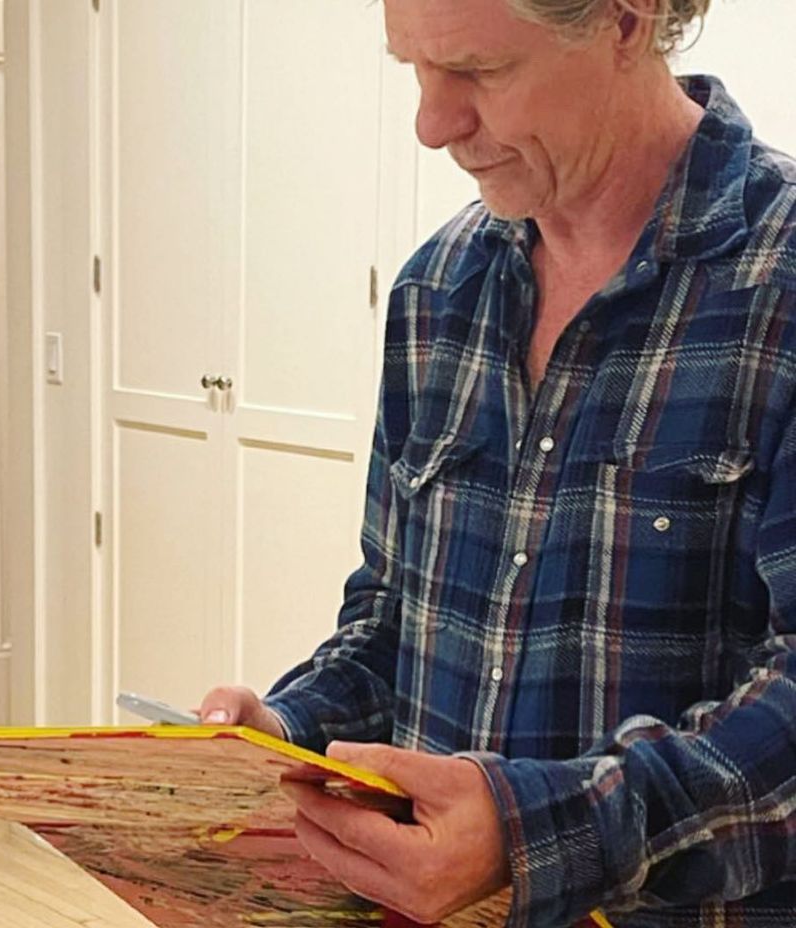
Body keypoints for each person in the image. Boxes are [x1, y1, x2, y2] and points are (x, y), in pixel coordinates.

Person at [199, 0, 796, 925]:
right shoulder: (438, 291)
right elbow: (394, 617)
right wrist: (288, 731)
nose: (432, 124)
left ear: (625, 21)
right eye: (414, 68)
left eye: (478, 71)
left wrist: (535, 838)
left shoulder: (779, 286)